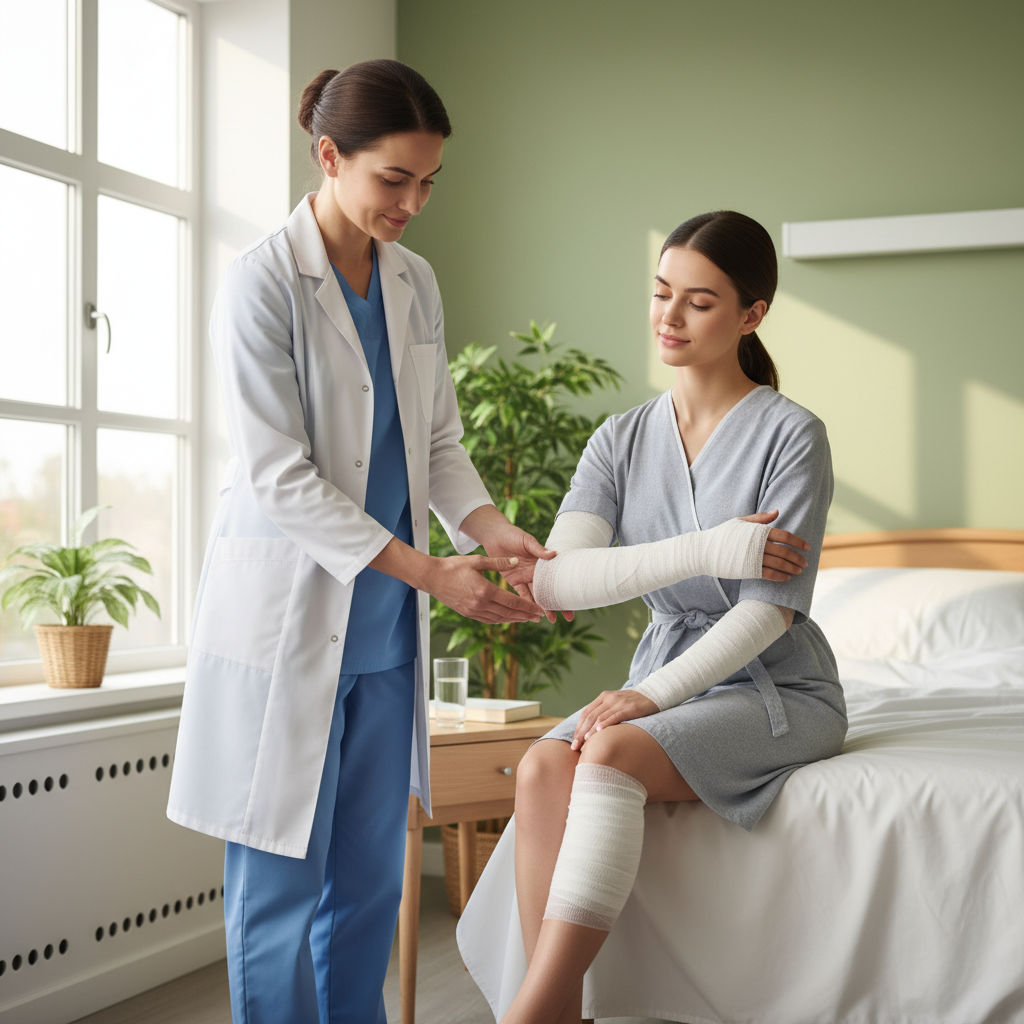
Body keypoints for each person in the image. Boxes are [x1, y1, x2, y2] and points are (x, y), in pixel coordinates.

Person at [166, 60, 557, 1024]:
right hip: (289, 626)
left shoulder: (414, 283)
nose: (414, 203)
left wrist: (493, 530)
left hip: (384, 634)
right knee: (278, 894)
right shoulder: (260, 283)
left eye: (429, 183)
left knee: (369, 888)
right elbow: (280, 475)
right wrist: (433, 570)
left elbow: (437, 445)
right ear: (330, 156)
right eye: (395, 180)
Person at [478, 210, 847, 1024]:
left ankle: (535, 1011)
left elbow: (769, 615)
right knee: (542, 767)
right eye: (660, 293)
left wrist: (648, 699)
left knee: (605, 754)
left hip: (776, 689)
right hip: (669, 677)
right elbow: (558, 583)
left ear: (751, 315)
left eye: (699, 302)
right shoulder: (619, 440)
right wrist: (708, 549)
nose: (669, 319)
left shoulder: (793, 436)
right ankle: (560, 1007)